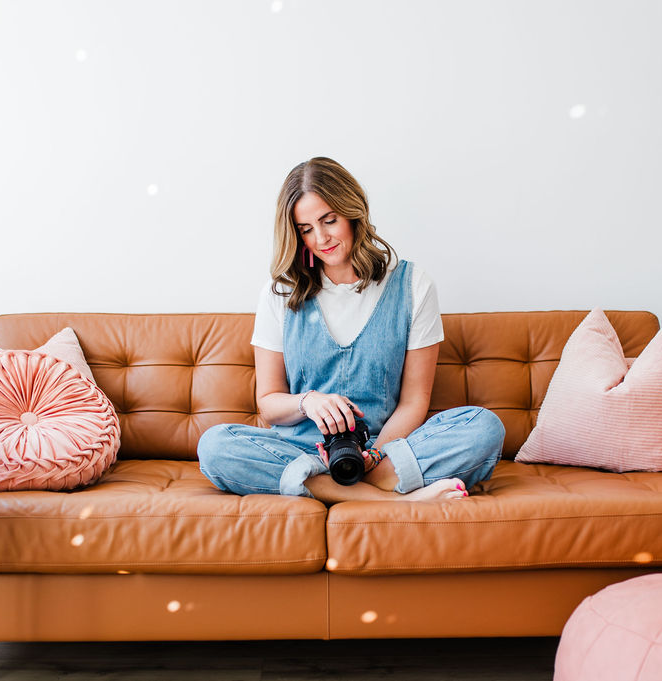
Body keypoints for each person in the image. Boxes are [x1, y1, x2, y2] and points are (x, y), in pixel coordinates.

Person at [197, 157, 504, 503]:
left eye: (330, 220)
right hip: (301, 451)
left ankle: (339, 487)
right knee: (215, 445)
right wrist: (307, 402)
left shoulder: (413, 285)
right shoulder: (279, 292)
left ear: (353, 212)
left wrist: (375, 454)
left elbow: (414, 401)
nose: (321, 238)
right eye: (306, 228)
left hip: (383, 451)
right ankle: (394, 500)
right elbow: (268, 404)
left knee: (483, 426)